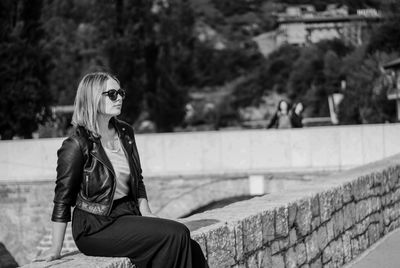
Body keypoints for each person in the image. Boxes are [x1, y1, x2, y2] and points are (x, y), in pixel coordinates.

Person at [34, 72, 208, 268]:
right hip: (95, 225)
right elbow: (62, 199)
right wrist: (55, 248)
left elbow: (138, 179)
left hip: (127, 214)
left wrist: (146, 211)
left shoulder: (125, 132)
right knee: (177, 233)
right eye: (112, 94)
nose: (119, 99)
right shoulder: (76, 144)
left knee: (190, 246)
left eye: (120, 93)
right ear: (92, 98)